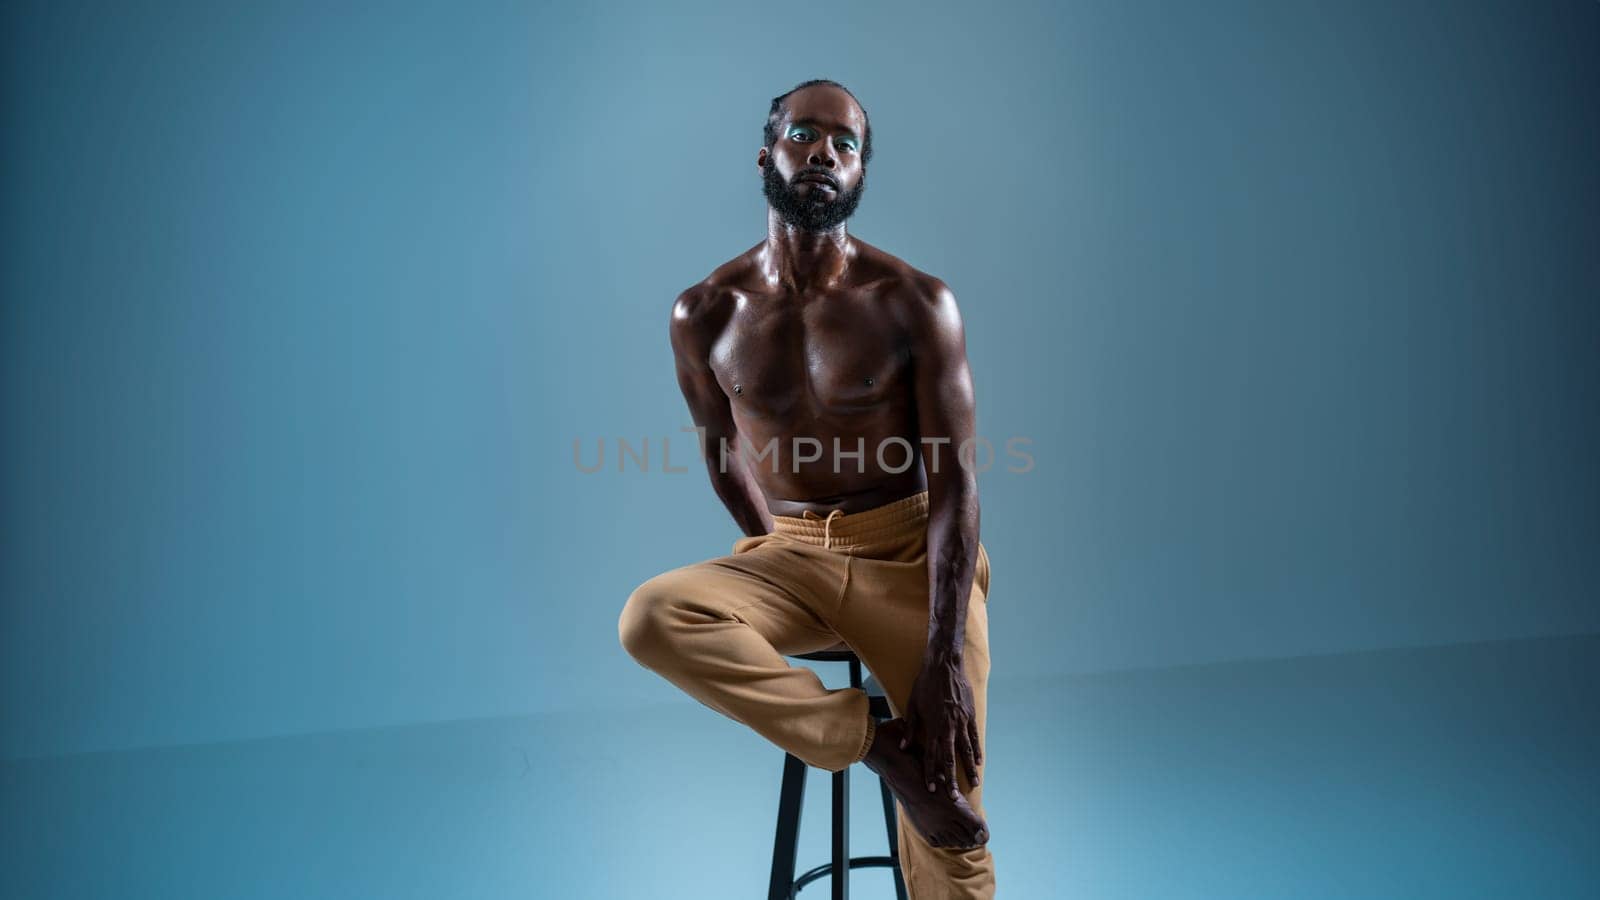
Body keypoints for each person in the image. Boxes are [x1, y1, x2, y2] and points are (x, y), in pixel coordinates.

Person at [618, 78, 996, 899]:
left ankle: (918, 767)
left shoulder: (916, 304)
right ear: (768, 154)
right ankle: (873, 745)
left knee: (953, 789)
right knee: (652, 616)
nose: (825, 151)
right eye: (805, 135)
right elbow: (721, 453)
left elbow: (956, 481)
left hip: (908, 551)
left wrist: (940, 653)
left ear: (860, 175)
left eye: (846, 144)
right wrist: (768, 548)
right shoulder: (705, 313)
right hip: (791, 553)